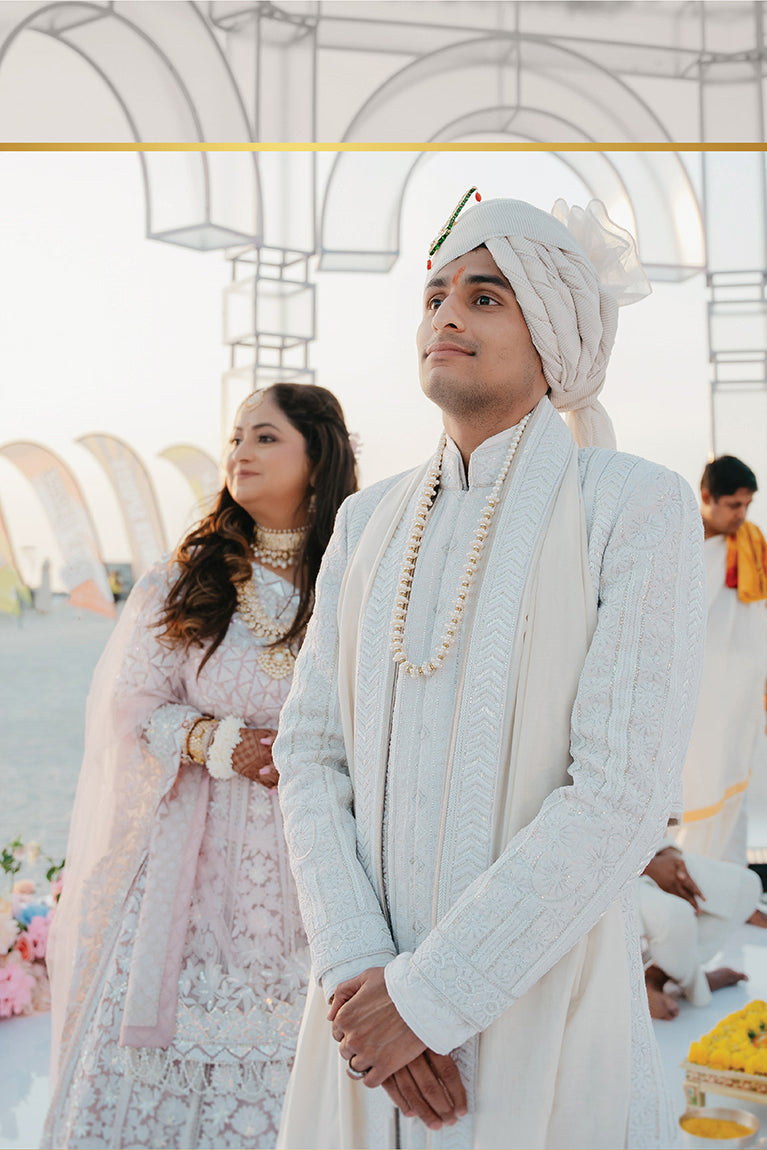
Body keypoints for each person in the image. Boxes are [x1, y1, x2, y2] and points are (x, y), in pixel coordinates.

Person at [274, 194, 705, 1150]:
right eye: (434, 295)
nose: (446, 316)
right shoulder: (364, 521)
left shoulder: (633, 506)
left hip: (540, 1006)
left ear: (552, 332)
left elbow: (622, 794)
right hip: (361, 1022)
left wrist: (431, 997)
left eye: (485, 296)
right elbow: (309, 757)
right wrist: (362, 979)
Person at [42, 383, 358, 1150]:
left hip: (316, 852)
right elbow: (130, 707)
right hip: (195, 859)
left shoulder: (356, 580)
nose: (240, 453)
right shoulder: (186, 579)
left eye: (265, 438)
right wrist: (218, 743)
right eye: (235, 439)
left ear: (317, 460)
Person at [671, 455, 767, 865]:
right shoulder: (680, 544)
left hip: (742, 694)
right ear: (707, 497)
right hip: (697, 698)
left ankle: (732, 891)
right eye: (734, 505)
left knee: (735, 782)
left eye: (747, 505)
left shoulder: (751, 543)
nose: (742, 515)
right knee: (695, 785)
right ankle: (685, 885)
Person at [639, 842, 759, 1020]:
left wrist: (672, 859)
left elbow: (661, 820)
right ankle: (694, 982)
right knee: (677, 916)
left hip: (652, 851)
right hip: (609, 873)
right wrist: (646, 868)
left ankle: (659, 975)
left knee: (746, 886)